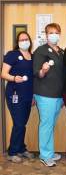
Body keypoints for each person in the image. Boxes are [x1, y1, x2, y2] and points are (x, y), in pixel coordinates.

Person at [33, 23, 64, 167]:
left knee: (50, 124)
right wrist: (43, 70)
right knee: (46, 124)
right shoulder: (40, 51)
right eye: (51, 32)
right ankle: (45, 155)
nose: (54, 35)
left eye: (56, 32)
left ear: (60, 34)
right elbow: (38, 73)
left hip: (58, 94)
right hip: (45, 93)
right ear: (46, 35)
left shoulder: (61, 52)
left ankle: (49, 152)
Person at [1, 31, 34, 163]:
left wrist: (33, 96)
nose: (24, 41)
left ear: (30, 41)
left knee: (22, 124)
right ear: (17, 42)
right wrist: (14, 78)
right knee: (19, 124)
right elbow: (3, 74)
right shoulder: (12, 55)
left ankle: (21, 148)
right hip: (15, 94)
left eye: (26, 39)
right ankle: (12, 151)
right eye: (21, 39)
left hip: (28, 95)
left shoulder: (33, 56)